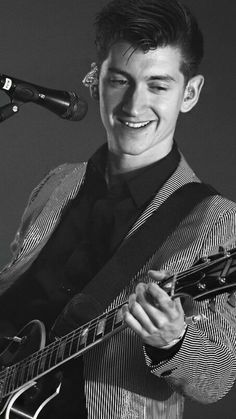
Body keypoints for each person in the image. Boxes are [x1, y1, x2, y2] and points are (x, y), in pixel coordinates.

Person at [0, 0, 236, 418]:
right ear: (94, 79)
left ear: (190, 93)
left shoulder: (217, 221)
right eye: (120, 81)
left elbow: (217, 378)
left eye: (158, 85)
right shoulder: (58, 182)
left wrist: (173, 340)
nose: (133, 105)